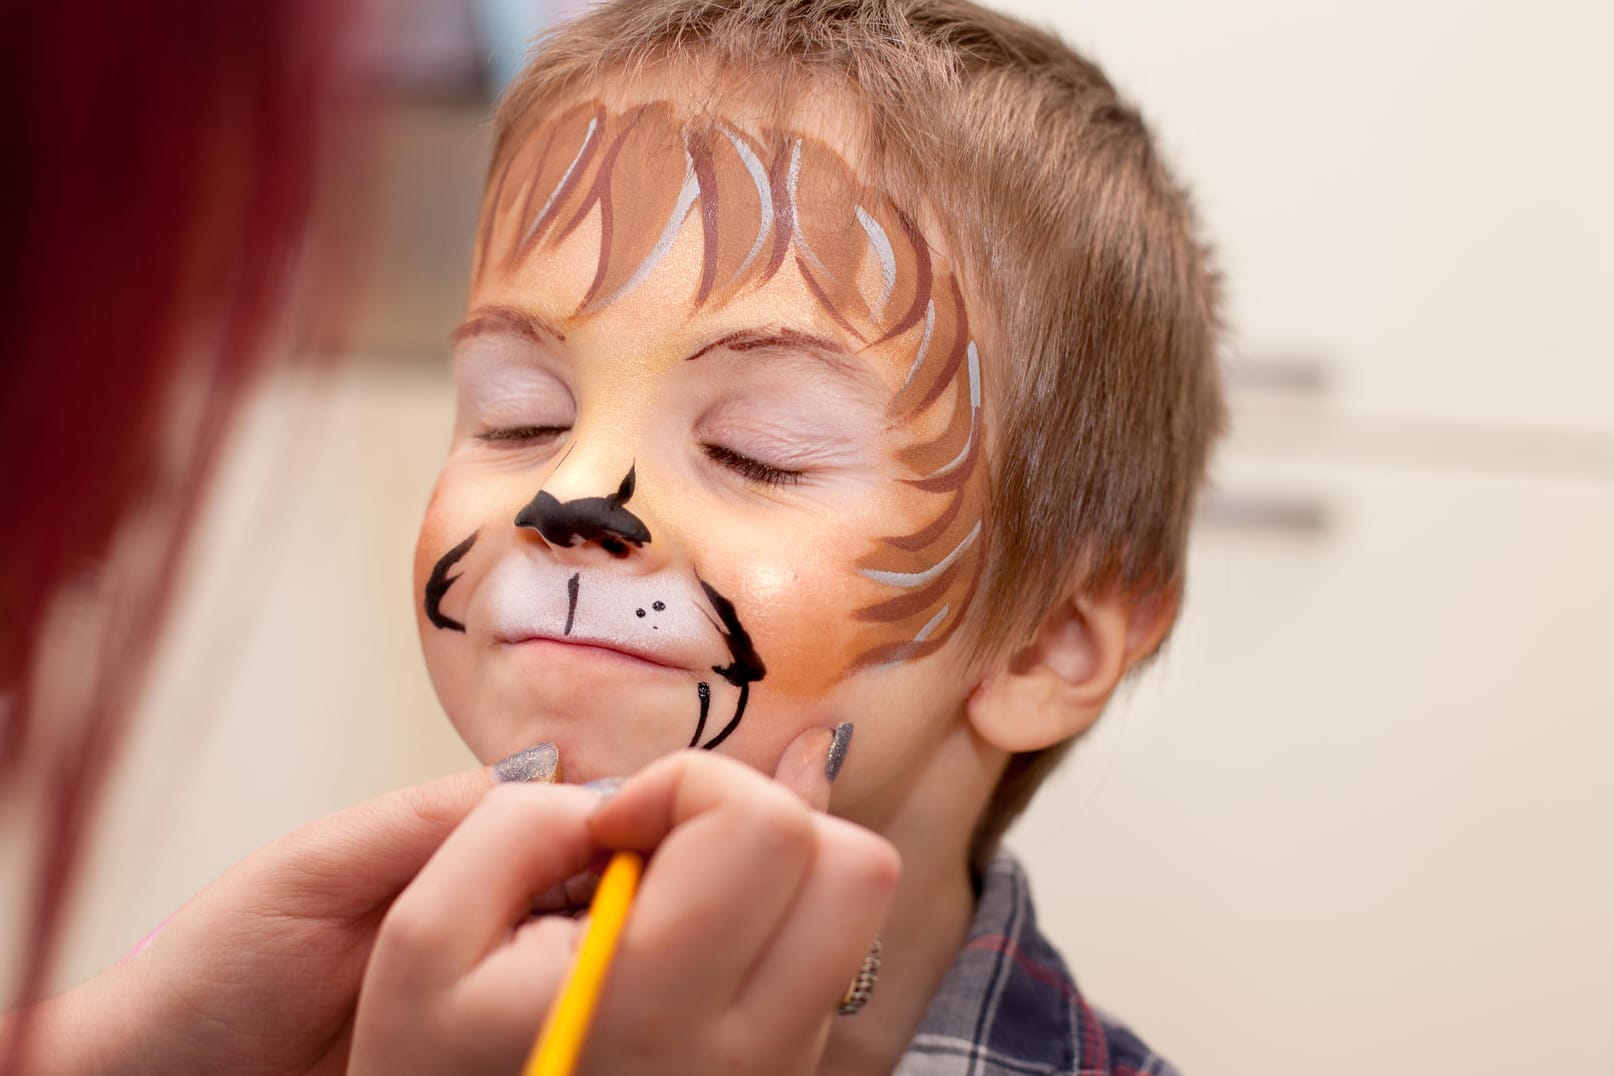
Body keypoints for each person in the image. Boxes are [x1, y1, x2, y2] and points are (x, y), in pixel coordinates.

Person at [349, 0, 1224, 1072]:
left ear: (1047, 640)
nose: (569, 492)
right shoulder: (335, 1026)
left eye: (758, 450)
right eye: (519, 415)